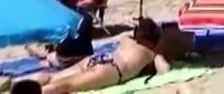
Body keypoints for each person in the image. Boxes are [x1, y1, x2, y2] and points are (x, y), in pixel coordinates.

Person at [36, 18, 169, 94]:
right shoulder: (150, 53)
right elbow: (165, 70)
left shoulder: (127, 41)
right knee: (65, 86)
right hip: (111, 69)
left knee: (52, 77)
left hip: (98, 59)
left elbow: (127, 34)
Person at [27, 0, 94, 69]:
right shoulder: (87, 16)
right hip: (86, 57)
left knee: (48, 57)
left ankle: (47, 60)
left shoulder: (56, 18)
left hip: (66, 59)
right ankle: (47, 57)